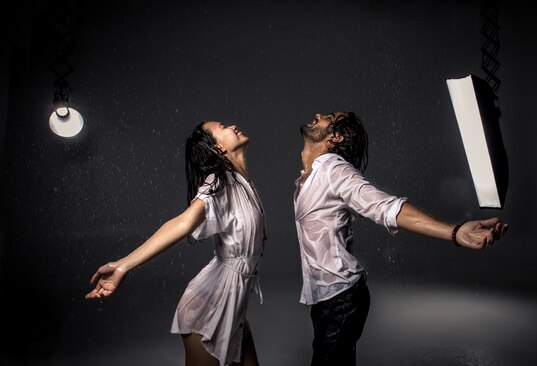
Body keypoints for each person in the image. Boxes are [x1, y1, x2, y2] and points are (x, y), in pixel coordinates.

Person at [294, 111, 509, 366]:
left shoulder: (333, 169)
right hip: (324, 297)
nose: (318, 115)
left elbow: (387, 207)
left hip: (341, 298)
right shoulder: (307, 176)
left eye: (328, 117)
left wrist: (454, 231)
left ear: (336, 137)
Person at [86, 121, 266, 366]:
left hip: (234, 305)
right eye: (223, 127)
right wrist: (122, 265)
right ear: (218, 148)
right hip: (209, 307)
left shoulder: (242, 182)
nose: (233, 125)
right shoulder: (218, 183)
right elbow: (183, 222)